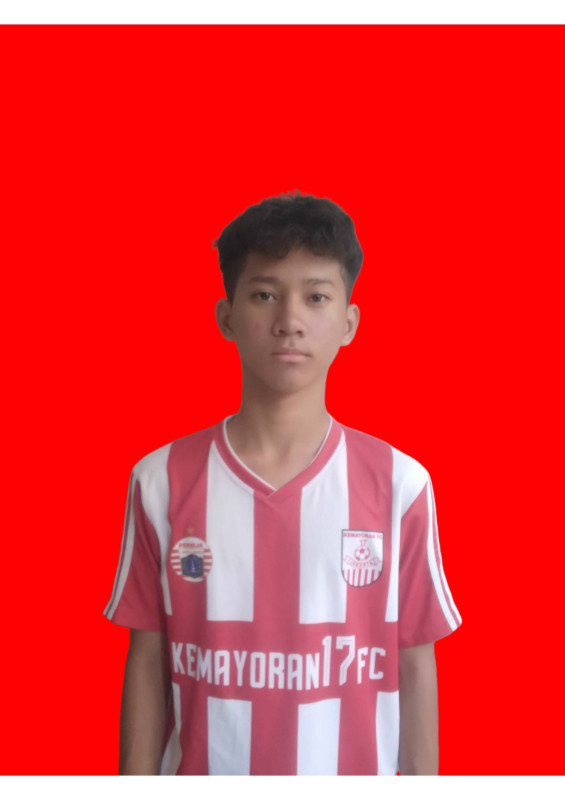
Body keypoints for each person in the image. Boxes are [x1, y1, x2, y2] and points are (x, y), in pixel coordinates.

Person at [103, 191, 462, 776]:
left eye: (316, 296)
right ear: (226, 317)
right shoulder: (161, 481)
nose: (289, 321)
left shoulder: (401, 485)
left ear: (349, 323)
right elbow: (147, 660)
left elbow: (415, 663)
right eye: (265, 294)